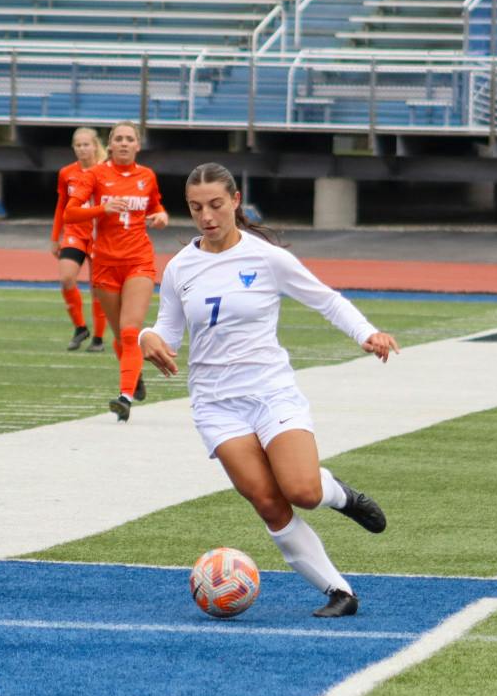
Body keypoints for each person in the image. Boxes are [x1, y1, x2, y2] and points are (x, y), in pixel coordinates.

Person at [141, 164, 398, 618]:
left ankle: (339, 494)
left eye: (216, 205)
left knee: (301, 489)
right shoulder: (180, 268)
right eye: (197, 207)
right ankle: (340, 592)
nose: (207, 216)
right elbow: (168, 330)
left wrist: (366, 333)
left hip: (270, 392)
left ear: (236, 201)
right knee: (267, 500)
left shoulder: (266, 258)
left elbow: (326, 298)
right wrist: (149, 339)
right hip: (216, 405)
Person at [59, 122, 168, 420]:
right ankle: (134, 375)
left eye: (129, 139)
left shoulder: (147, 176)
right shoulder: (95, 175)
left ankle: (125, 397)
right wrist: (101, 210)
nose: (123, 143)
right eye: (118, 138)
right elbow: (70, 212)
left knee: (131, 330)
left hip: (138, 261)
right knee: (120, 334)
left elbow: (156, 207)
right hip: (105, 263)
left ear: (137, 145)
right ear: (109, 144)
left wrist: (160, 216)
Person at [51, 126, 110, 352]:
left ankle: (98, 338)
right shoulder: (67, 173)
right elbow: (61, 206)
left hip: (99, 235)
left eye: (86, 144)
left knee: (99, 288)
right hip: (75, 233)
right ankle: (80, 327)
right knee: (66, 278)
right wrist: (55, 236)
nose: (82, 149)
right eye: (78, 145)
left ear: (95, 146)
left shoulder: (105, 171)